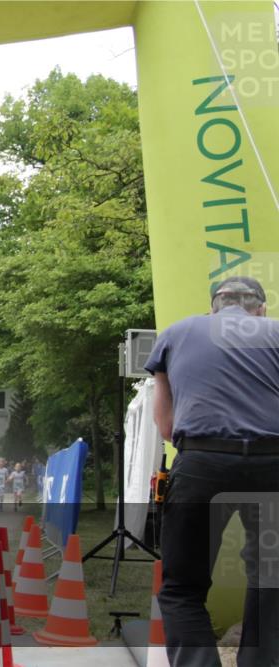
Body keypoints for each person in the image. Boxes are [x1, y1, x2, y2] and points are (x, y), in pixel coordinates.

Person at [145, 276, 279, 667]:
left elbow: (166, 426)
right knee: (270, 582)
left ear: (212, 309)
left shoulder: (177, 333)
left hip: (202, 465)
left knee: (183, 587)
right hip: (274, 467)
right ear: (261, 310)